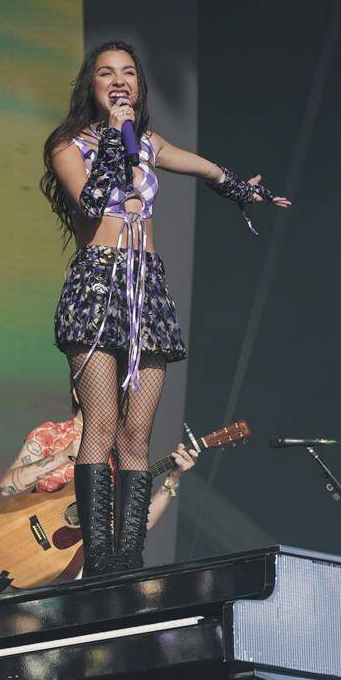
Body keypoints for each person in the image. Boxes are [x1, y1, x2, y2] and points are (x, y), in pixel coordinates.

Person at [41, 40, 289, 575]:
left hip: (146, 289)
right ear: (92, 85)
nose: (119, 80)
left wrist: (242, 190)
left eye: (128, 73)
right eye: (107, 73)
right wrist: (113, 137)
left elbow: (205, 170)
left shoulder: (147, 143)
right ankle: (100, 558)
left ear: (139, 86)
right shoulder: (69, 143)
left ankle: (129, 558)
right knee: (101, 425)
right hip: (97, 288)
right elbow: (88, 199)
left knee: (138, 433)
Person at [0, 405, 199, 537]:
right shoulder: (51, 433)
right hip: (33, 544)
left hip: (83, 562)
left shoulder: (120, 454)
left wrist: (173, 477)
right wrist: (64, 455)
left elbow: (140, 524)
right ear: (78, 393)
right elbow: (7, 487)